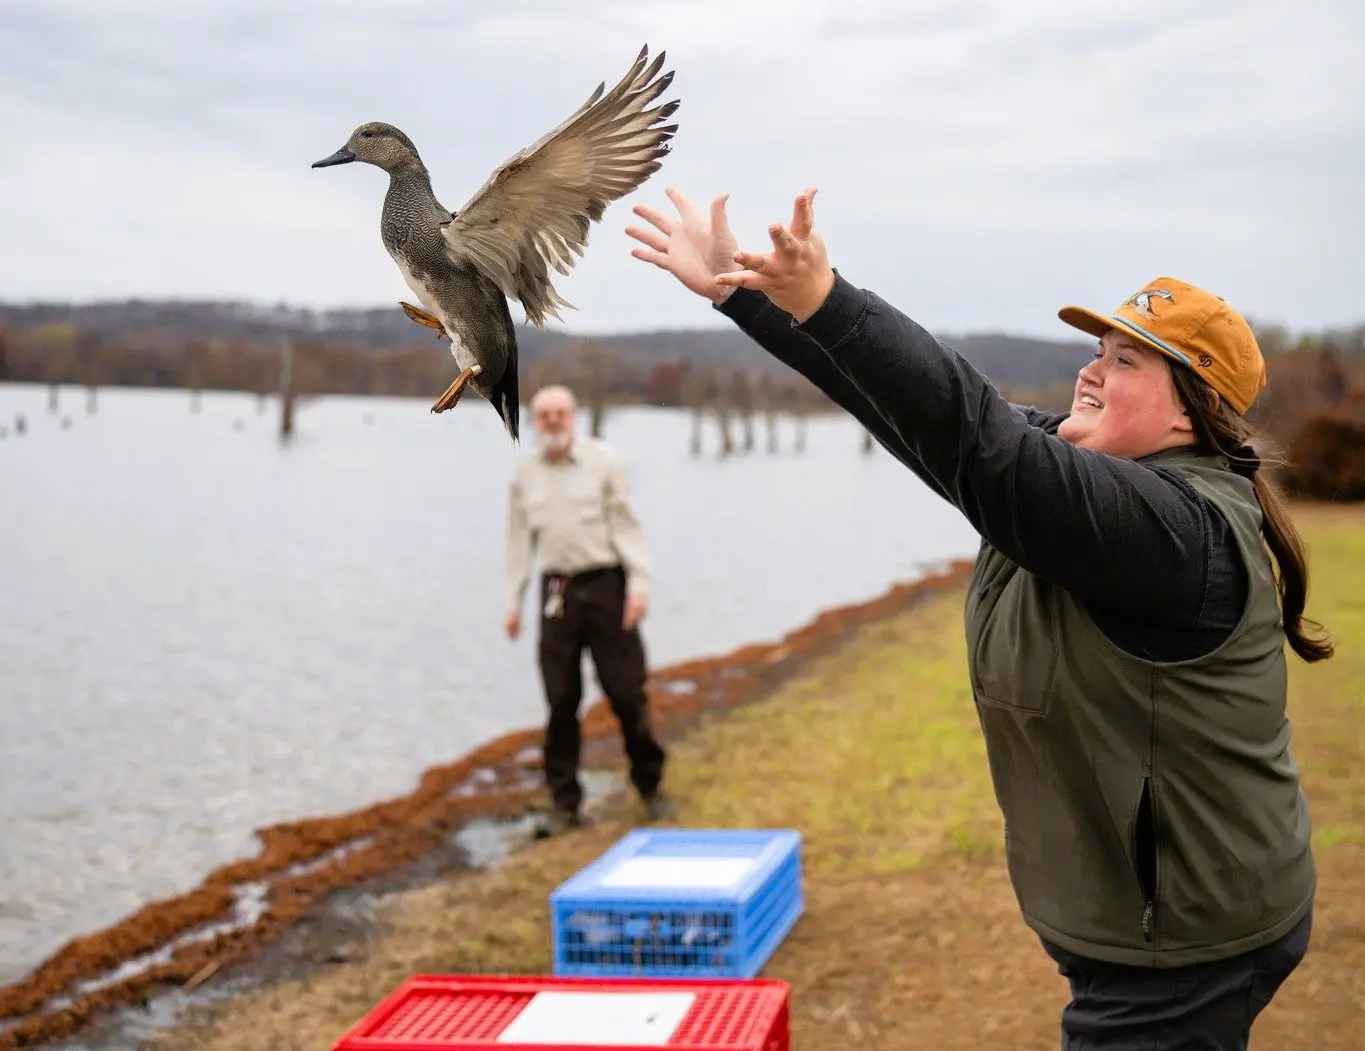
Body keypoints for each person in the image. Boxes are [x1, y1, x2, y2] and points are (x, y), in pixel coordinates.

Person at [626, 186, 1329, 1050]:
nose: (1090, 369)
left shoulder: (1170, 532)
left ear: (1187, 408)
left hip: (1188, 944)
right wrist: (744, 294)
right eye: (1095, 348)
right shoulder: (1082, 491)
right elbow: (916, 417)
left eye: (1125, 360)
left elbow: (969, 435)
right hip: (1155, 910)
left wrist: (826, 297)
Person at [506, 383, 676, 836]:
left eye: (561, 413)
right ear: (536, 421)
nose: (554, 421)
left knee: (626, 693)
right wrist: (513, 603)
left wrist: (638, 588)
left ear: (574, 417)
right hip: (556, 594)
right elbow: (518, 543)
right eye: (545, 415)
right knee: (561, 700)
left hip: (607, 587)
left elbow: (628, 527)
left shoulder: (602, 461)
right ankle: (565, 805)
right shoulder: (526, 474)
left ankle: (651, 787)